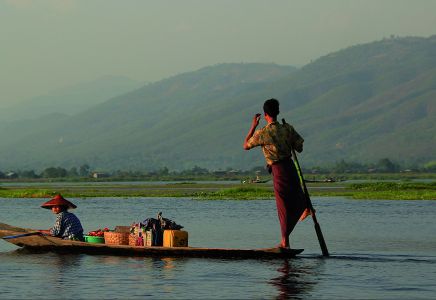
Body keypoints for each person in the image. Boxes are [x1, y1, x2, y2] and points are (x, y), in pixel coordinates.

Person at [243, 98, 307, 249]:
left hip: (279, 170)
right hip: (290, 167)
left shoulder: (263, 133)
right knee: (296, 196)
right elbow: (300, 148)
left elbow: (245, 145)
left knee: (283, 206)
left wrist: (253, 126)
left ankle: (285, 242)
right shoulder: (287, 128)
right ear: (277, 112)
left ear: (265, 115)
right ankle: (306, 208)